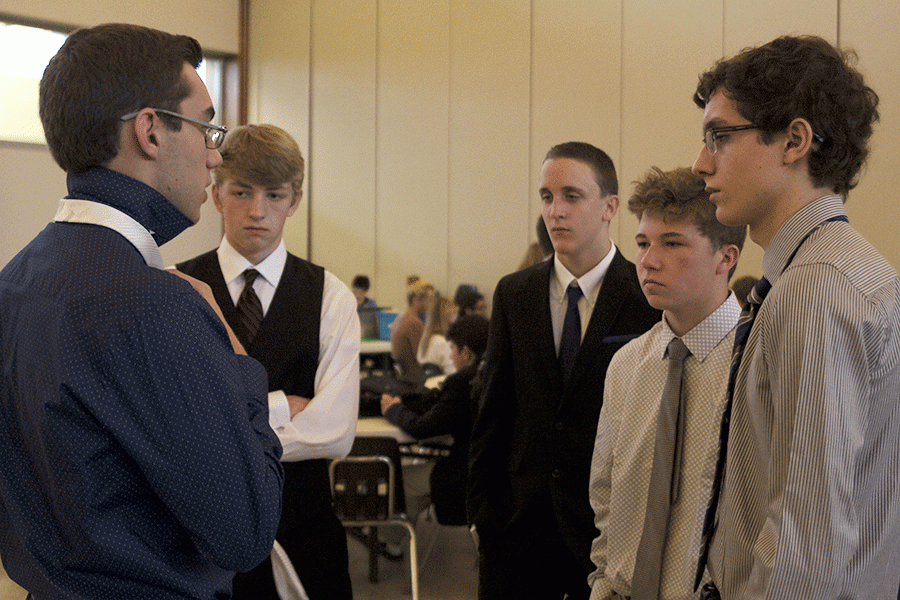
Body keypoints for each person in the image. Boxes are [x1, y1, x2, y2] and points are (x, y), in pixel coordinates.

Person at [0, 24, 284, 599]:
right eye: (207, 128)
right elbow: (246, 531)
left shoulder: (16, 282)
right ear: (151, 130)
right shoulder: (153, 304)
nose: (215, 156)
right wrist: (234, 357)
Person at [691, 35, 900, 599]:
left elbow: (807, 542)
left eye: (720, 136)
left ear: (794, 140)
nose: (701, 162)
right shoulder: (837, 270)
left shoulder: (817, 289)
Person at [467, 141, 660, 599]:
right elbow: (492, 406)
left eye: (572, 196)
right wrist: (480, 511)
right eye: (547, 197)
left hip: (603, 527)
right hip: (516, 522)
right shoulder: (515, 293)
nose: (556, 211)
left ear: (610, 206)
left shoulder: (645, 295)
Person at [177, 124, 359, 600]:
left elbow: (336, 429)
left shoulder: (330, 296)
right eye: (241, 192)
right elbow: (174, 425)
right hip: (200, 541)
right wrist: (281, 408)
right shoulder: (177, 287)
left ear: (295, 201)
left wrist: (222, 433)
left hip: (305, 529)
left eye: (274, 195)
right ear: (216, 195)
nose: (257, 211)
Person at [587, 167, 745, 599]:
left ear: (725, 257)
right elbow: (606, 493)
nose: (648, 260)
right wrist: (603, 581)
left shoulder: (754, 364)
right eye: (642, 243)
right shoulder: (627, 363)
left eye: (672, 243)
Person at [382, 314, 490, 526]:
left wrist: (393, 409)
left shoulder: (464, 384)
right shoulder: (492, 377)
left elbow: (421, 428)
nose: (450, 357)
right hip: (488, 474)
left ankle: (392, 537)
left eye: (452, 349)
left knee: (400, 482)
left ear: (466, 353)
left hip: (465, 475)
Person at [390, 275, 433, 388]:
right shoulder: (414, 323)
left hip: (403, 376)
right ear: (416, 300)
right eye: (427, 300)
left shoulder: (399, 318)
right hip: (414, 379)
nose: (429, 304)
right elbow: (421, 357)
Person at [417, 293, 459, 375]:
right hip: (442, 384)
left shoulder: (425, 339)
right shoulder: (444, 343)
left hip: (426, 384)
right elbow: (453, 374)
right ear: (447, 318)